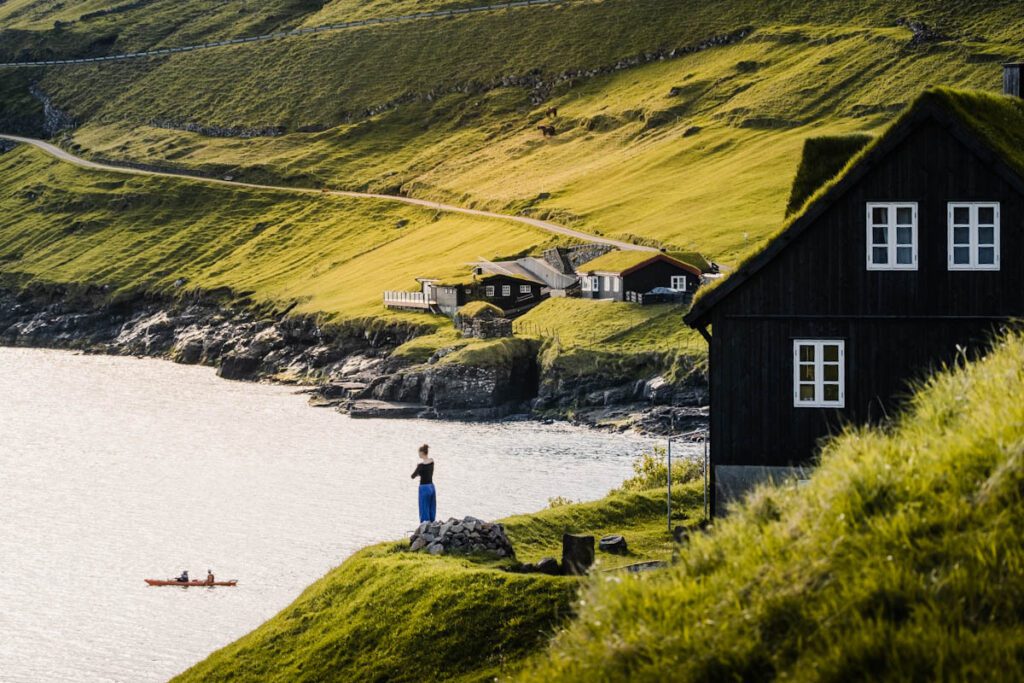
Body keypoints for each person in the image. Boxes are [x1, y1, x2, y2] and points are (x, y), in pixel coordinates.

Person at [411, 444, 436, 523]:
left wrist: (418, 471)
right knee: (431, 506)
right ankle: (432, 523)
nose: (418, 454)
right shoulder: (432, 461)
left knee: (424, 507)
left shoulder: (420, 466)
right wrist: (420, 472)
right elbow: (427, 472)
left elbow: (412, 476)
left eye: (419, 453)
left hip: (424, 488)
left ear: (422, 453)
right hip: (431, 487)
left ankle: (425, 525)